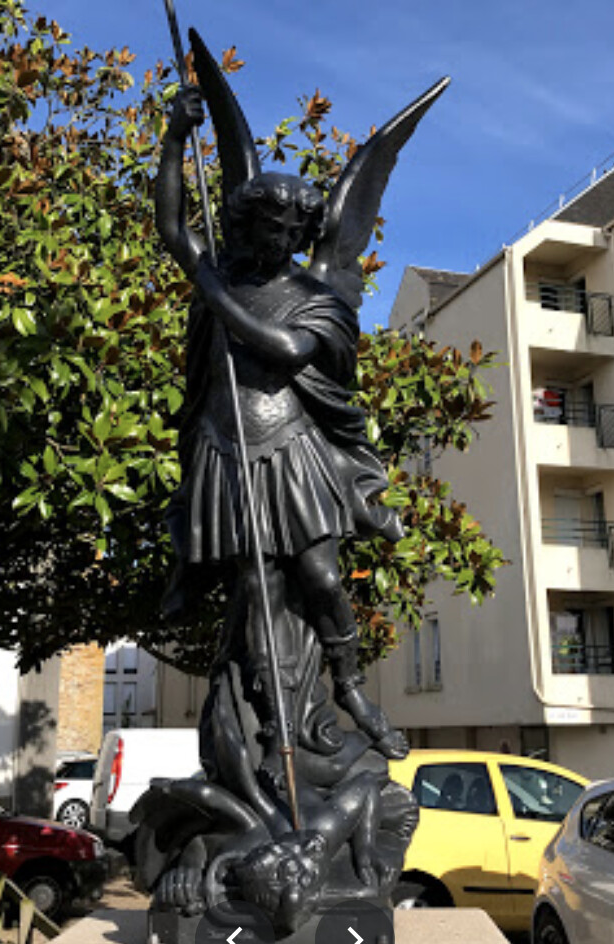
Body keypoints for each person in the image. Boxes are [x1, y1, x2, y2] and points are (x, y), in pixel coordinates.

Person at [155, 86, 406, 761]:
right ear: (248, 224)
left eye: (294, 233)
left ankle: (351, 689)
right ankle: (275, 722)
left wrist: (215, 296)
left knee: (321, 577)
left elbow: (290, 350)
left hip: (292, 449)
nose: (284, 241)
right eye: (272, 229)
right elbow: (172, 228)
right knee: (257, 590)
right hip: (227, 447)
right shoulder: (223, 273)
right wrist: (175, 138)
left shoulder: (315, 297)